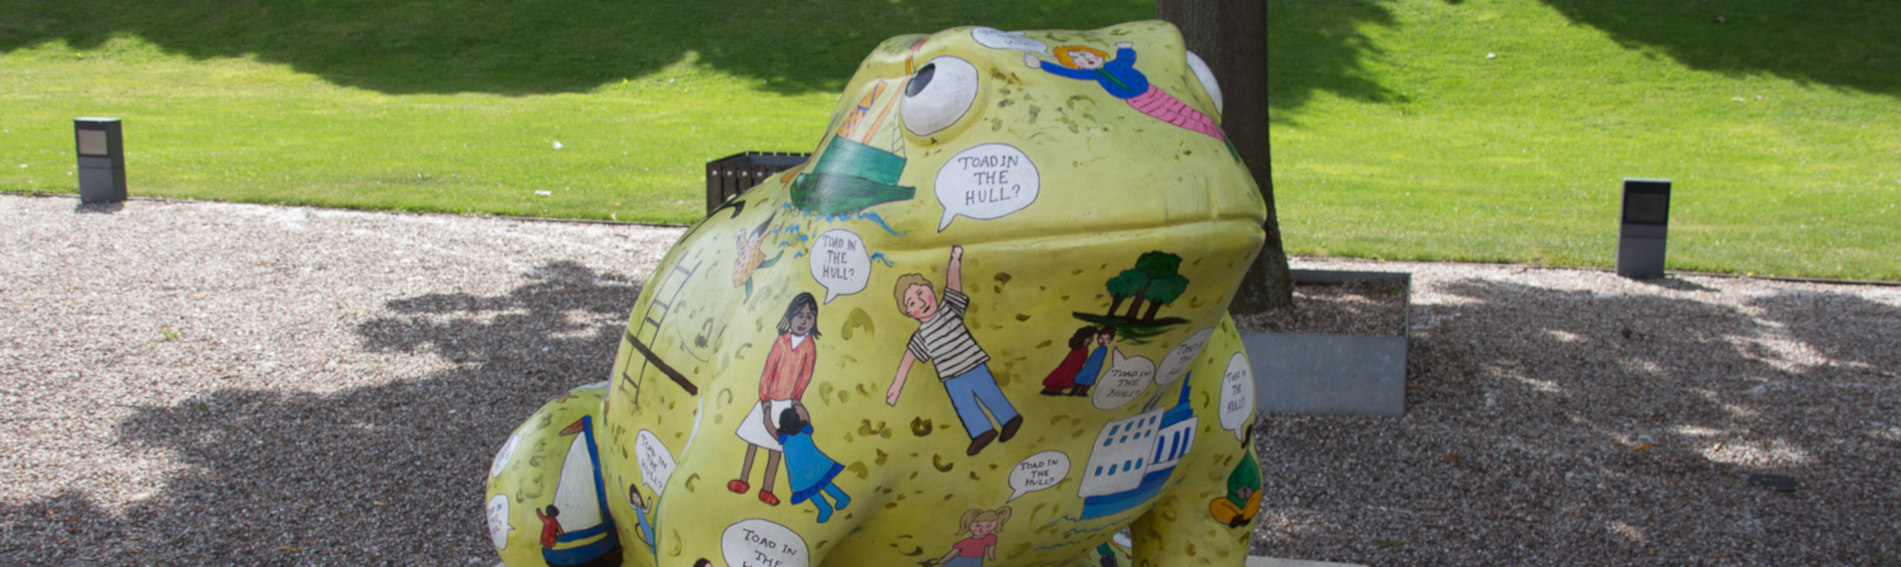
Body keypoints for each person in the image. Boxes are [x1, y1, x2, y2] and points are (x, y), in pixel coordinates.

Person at [886, 246, 1023, 456]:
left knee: (989, 391)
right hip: (951, 377)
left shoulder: (949, 308)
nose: (920, 302)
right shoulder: (922, 335)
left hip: (973, 364)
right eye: (912, 302)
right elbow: (909, 357)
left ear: (931, 289)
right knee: (964, 404)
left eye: (921, 293)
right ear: (909, 313)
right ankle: (982, 432)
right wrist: (897, 385)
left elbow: (953, 285)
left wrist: (955, 260)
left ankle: (1009, 418)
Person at [1024, 43, 1226, 142]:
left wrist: (1124, 48)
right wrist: (1040, 64)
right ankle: (1206, 132)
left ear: (1096, 53)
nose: (1086, 59)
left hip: (1150, 89)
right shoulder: (1094, 76)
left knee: (1182, 107)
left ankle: (1213, 133)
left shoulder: (1116, 63)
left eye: (1086, 54)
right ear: (1079, 67)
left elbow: (1127, 58)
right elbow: (1066, 72)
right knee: (1173, 118)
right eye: (1080, 61)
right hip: (1137, 100)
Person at [731, 292, 821, 506]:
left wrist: (797, 401)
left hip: (788, 404)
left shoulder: (809, 346)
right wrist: (764, 399)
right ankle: (743, 479)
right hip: (769, 399)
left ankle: (767, 489)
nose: (803, 321)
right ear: (790, 316)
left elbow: (805, 375)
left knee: (776, 447)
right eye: (799, 315)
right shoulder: (782, 341)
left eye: (809, 317)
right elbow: (769, 370)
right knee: (753, 441)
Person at [775, 403, 852, 523]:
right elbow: (805, 418)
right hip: (805, 470)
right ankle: (828, 505)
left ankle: (838, 500)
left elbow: (805, 419)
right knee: (817, 486)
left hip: (811, 467)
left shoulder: (796, 434)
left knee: (818, 486)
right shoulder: (796, 434)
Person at [934, 506, 1012, 567]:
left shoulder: (991, 537)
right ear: (969, 524)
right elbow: (953, 552)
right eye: (978, 526)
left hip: (977, 560)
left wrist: (991, 556)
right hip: (961, 560)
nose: (982, 529)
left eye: (988, 526)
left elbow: (991, 548)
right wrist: (941, 561)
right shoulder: (966, 542)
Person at [1041, 327, 1097, 395]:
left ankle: (1058, 390)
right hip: (1069, 367)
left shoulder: (1084, 349)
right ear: (1084, 337)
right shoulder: (1079, 348)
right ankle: (1050, 389)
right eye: (1090, 337)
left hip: (1074, 369)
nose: (1091, 340)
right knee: (1062, 376)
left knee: (1066, 378)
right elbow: (1071, 360)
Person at [1068, 327, 1115, 397]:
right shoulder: (1099, 349)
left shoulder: (1103, 349)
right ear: (1098, 339)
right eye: (1102, 338)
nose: (1104, 341)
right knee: (1080, 378)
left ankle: (1082, 392)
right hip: (1088, 367)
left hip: (1093, 369)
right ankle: (1074, 392)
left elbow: (1098, 361)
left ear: (1110, 340)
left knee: (1087, 381)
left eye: (1107, 339)